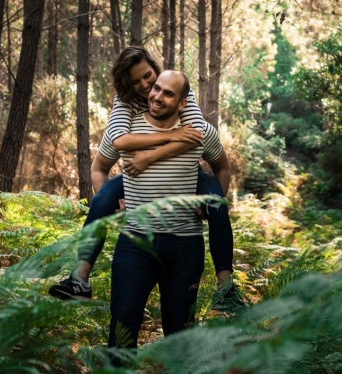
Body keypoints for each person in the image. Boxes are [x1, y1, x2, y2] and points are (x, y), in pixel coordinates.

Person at [49, 47, 244, 310]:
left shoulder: (180, 90)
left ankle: (226, 288)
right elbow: (118, 142)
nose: (146, 85)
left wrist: (150, 157)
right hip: (134, 180)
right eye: (136, 82)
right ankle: (79, 278)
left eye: (148, 76)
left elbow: (194, 135)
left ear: (156, 68)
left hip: (187, 177)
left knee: (218, 203)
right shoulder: (124, 101)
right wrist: (120, 202)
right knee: (102, 199)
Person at [99, 70, 231, 351]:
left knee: (181, 333)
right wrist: (107, 201)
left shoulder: (200, 133)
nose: (157, 96)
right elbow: (99, 167)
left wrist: (209, 206)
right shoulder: (127, 131)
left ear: (183, 103)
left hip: (185, 246)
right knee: (121, 328)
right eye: (156, 88)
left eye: (168, 93)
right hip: (134, 243)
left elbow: (222, 167)